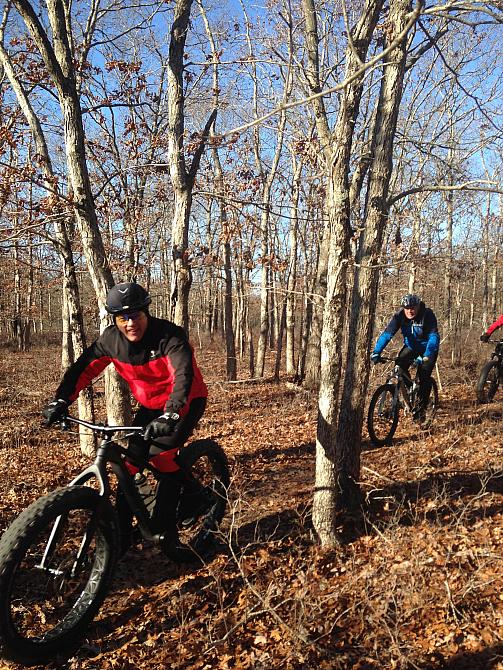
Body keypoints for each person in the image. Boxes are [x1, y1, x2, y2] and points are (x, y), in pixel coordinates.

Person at [42, 282, 208, 561]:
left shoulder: (169, 336)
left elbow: (183, 376)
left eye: (136, 315)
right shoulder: (111, 341)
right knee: (129, 464)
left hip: (186, 402)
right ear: (115, 319)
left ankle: (195, 495)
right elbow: (82, 369)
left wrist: (173, 412)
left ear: (146, 313)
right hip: (150, 405)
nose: (130, 323)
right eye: (123, 318)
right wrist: (61, 400)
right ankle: (122, 535)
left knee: (160, 455)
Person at [370, 293, 440, 416]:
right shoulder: (399, 316)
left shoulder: (427, 315)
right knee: (399, 366)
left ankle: (421, 410)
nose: (410, 311)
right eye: (406, 308)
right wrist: (376, 352)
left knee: (423, 376)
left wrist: (426, 355)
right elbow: (387, 334)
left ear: (418, 306)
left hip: (428, 348)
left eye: (412, 307)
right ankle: (409, 390)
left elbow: (433, 337)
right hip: (411, 347)